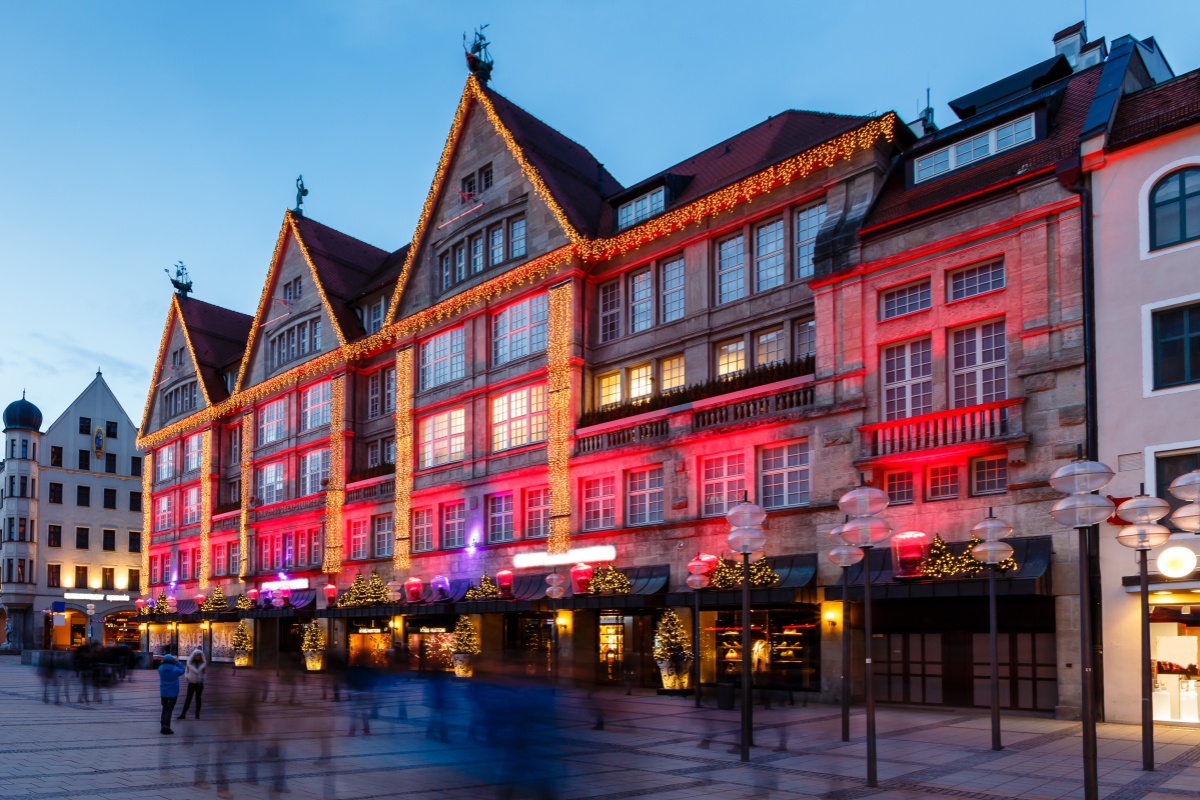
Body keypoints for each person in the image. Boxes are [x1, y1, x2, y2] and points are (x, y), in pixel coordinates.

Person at [158, 653, 185, 734]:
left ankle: (162, 725)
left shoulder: (160, 669)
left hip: (163, 693)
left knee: (164, 709)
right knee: (169, 710)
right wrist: (177, 662)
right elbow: (182, 670)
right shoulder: (175, 670)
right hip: (173, 693)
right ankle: (166, 727)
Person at [178, 648, 206, 720]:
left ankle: (197, 714)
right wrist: (187, 677)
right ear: (193, 656)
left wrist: (202, 678)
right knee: (188, 698)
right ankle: (183, 714)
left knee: (198, 699)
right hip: (191, 683)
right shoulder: (189, 663)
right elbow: (186, 671)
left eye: (199, 655)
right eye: (196, 655)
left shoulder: (202, 663)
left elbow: (204, 673)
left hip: (199, 683)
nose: (197, 656)